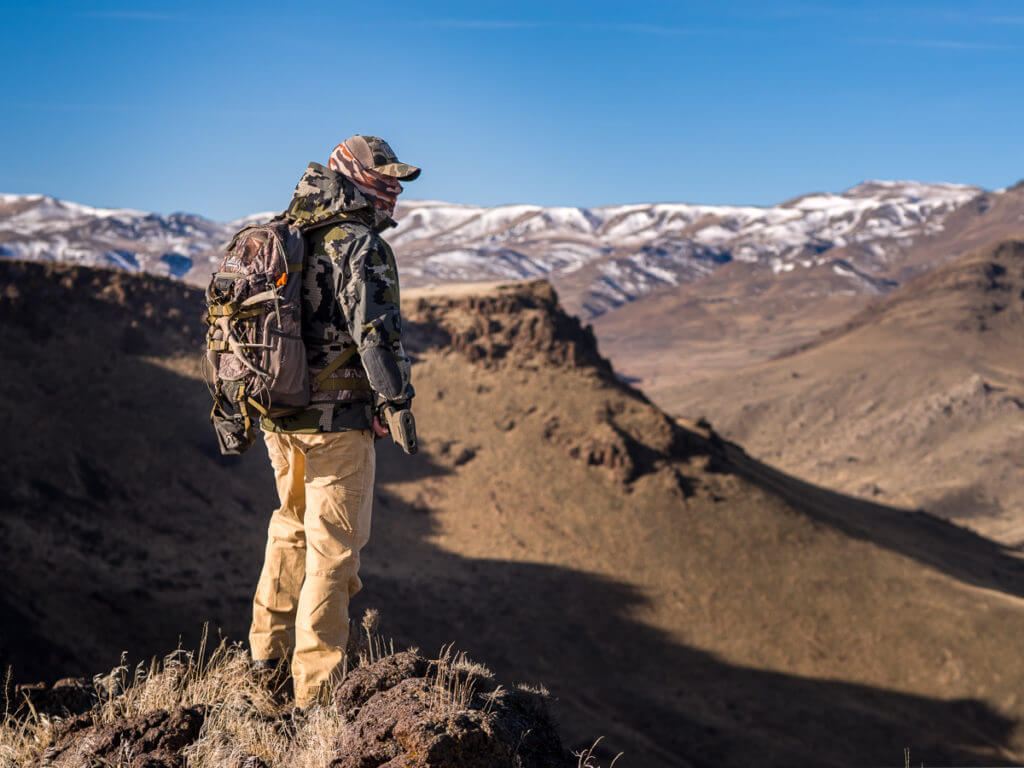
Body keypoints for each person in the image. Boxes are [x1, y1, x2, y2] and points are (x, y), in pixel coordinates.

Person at [247, 135, 419, 708]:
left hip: (279, 415)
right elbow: (377, 335)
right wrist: (395, 404)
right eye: (383, 179)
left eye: (397, 181)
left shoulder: (283, 231)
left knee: (288, 526)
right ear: (352, 176)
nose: (393, 191)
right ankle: (314, 695)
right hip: (335, 424)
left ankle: (263, 663)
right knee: (334, 551)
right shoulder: (359, 244)